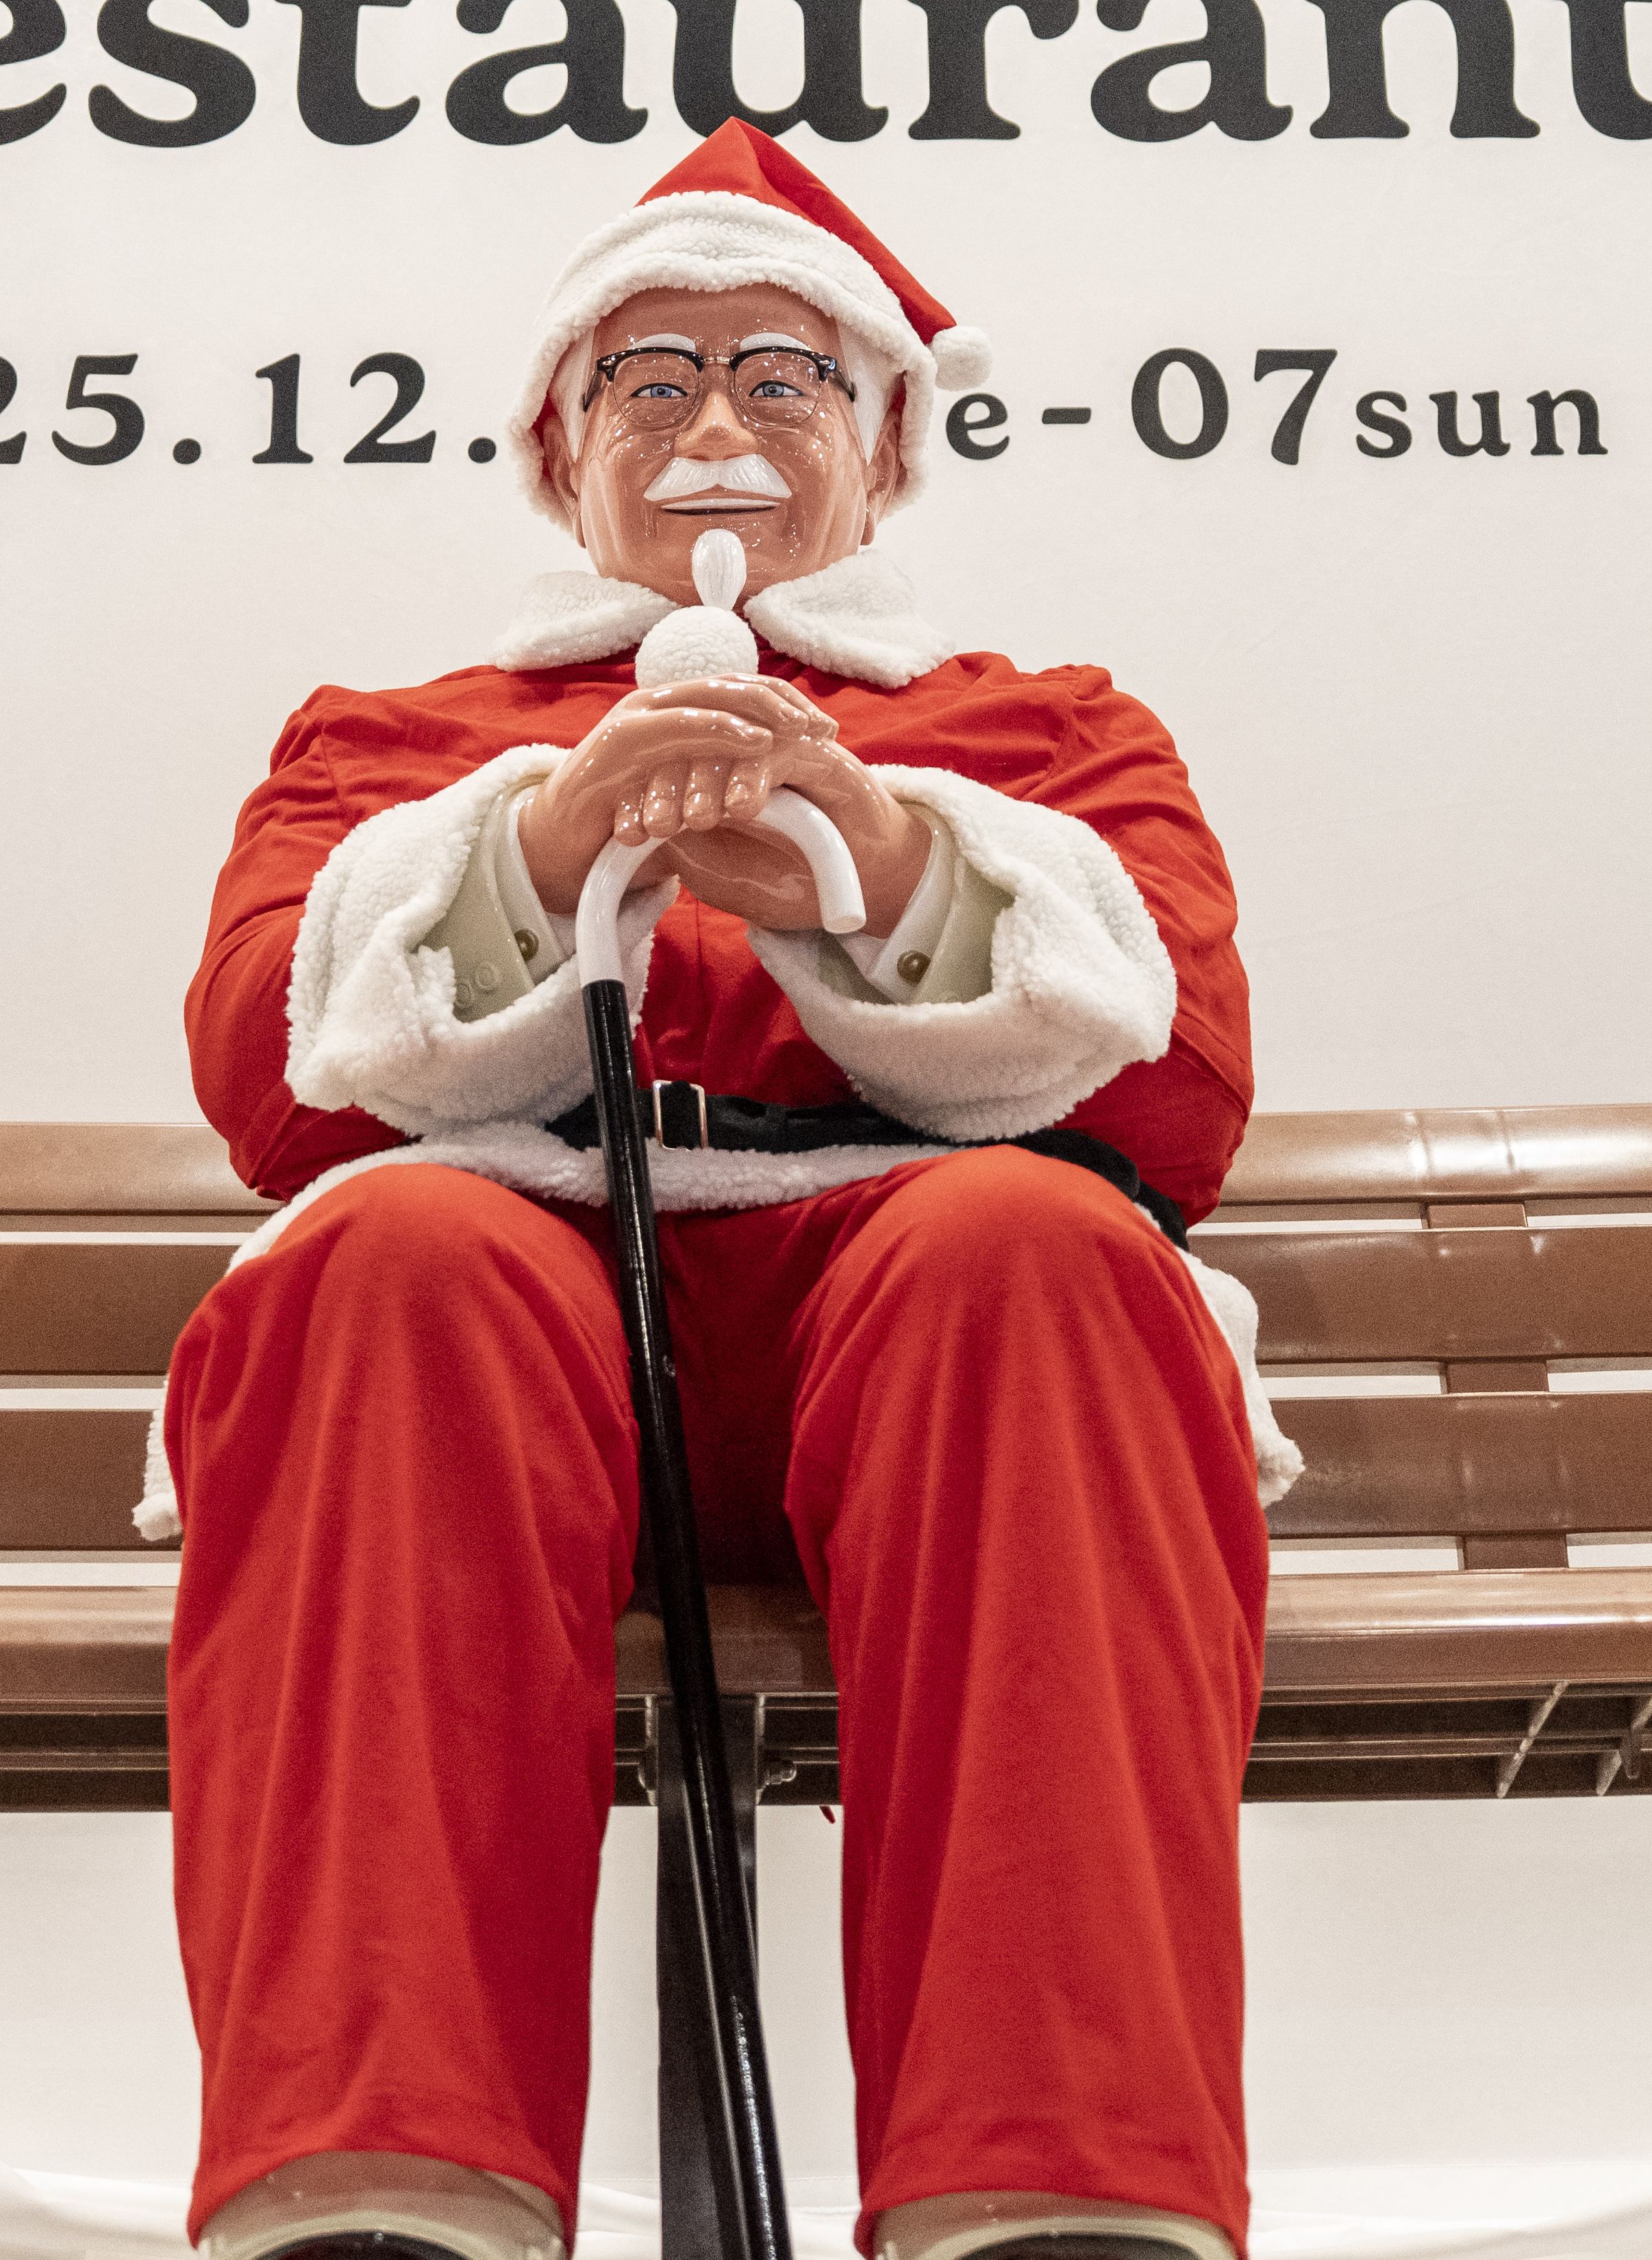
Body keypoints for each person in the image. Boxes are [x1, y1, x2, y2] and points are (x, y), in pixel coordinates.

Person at [160, 125, 1286, 2260]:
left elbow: (1182, 1108)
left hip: (937, 1367)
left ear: (888, 449)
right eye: (648, 380)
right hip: (507, 1372)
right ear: (549, 455)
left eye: (782, 378)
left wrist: (879, 874)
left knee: (1040, 1242)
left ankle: (1054, 2203)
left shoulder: (1046, 727)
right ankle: (378, 2195)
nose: (711, 426)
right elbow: (269, 1089)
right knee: (384, 1252)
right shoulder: (391, 735)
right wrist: (544, 860)